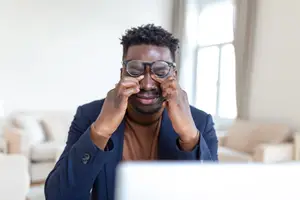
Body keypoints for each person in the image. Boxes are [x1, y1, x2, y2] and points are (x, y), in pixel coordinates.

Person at [44, 24, 218, 200]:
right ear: (122, 74)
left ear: (174, 75)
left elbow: (212, 195)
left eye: (160, 70)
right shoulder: (90, 115)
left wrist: (189, 137)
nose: (147, 84)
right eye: (135, 70)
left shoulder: (199, 122)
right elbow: (58, 196)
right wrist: (101, 131)